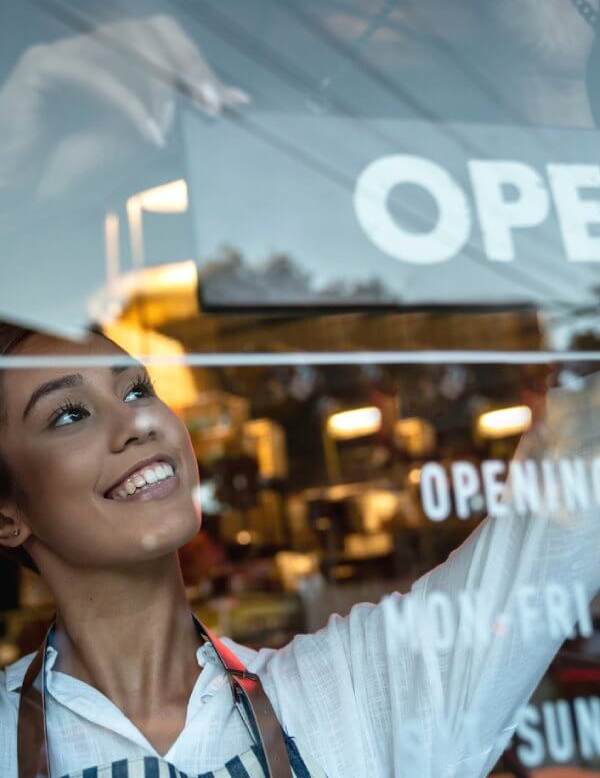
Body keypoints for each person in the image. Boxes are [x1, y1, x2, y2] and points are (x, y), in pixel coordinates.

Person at [0, 321, 599, 778]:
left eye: (136, 390)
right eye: (68, 415)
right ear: (7, 516)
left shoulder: (351, 692)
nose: (138, 423)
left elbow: (567, 503)